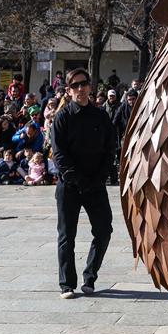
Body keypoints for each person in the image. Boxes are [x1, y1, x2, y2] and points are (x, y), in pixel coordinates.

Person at [49, 67, 118, 299]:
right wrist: (77, 180)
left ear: (90, 86)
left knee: (104, 230)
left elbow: (110, 150)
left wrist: (99, 177)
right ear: (68, 90)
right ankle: (67, 284)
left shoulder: (101, 116)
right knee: (67, 235)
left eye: (84, 84)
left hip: (95, 185)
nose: (80, 89)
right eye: (75, 85)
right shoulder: (63, 117)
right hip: (69, 186)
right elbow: (59, 155)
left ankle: (90, 276)